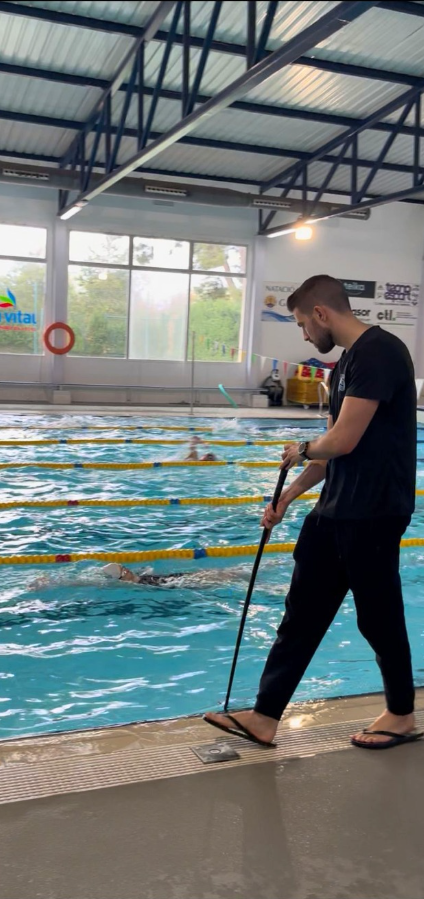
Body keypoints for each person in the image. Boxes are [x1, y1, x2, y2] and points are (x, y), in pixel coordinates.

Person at [205, 274, 421, 751]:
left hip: (373, 512)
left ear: (322, 314)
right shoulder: (344, 363)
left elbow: (339, 440)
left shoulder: (380, 353)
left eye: (303, 323)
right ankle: (264, 717)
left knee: (378, 617)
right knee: (301, 614)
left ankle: (402, 714)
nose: (303, 334)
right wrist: (288, 496)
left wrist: (299, 447)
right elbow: (329, 456)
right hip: (335, 511)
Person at [30, 561, 252, 591]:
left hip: (171, 579)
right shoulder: (138, 582)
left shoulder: (140, 579)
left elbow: (82, 581)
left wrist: (52, 581)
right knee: (223, 576)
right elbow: (81, 582)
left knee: (224, 574)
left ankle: (251, 572)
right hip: (172, 582)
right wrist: (53, 582)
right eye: (124, 570)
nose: (127, 569)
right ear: (123, 576)